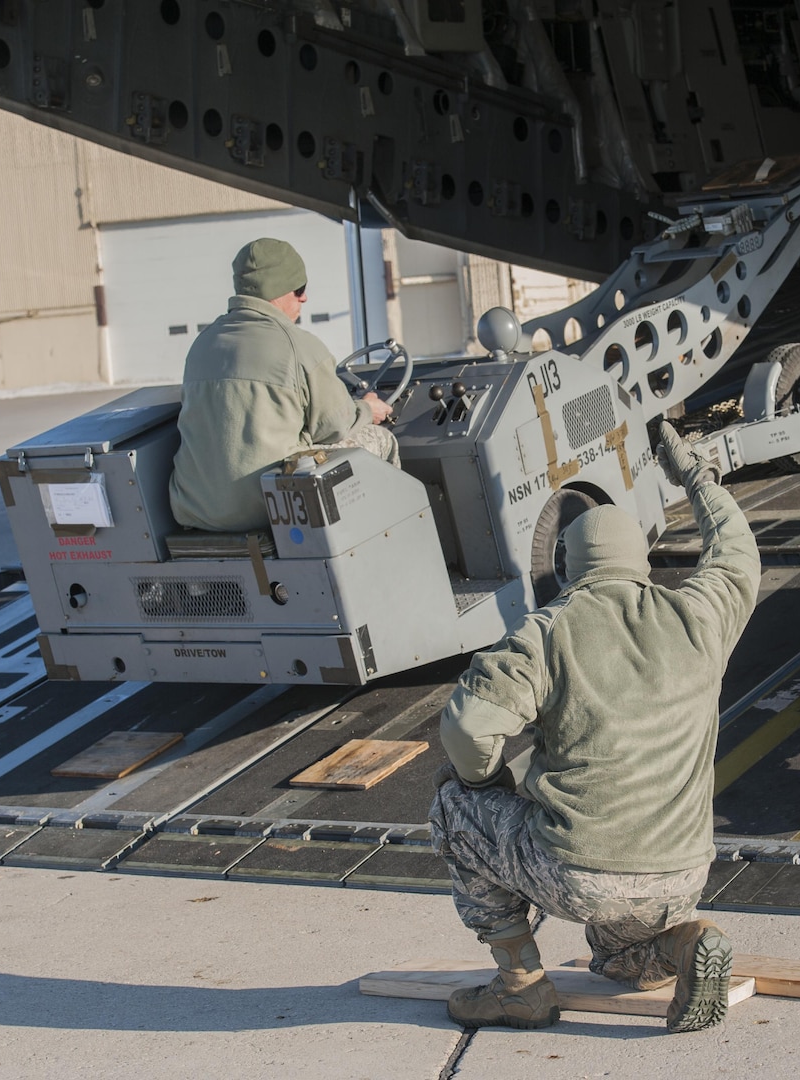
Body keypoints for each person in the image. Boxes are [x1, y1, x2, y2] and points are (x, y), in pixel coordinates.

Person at [428, 424, 760, 1034]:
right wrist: (695, 475)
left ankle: (520, 987)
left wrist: (487, 783)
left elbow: (469, 730)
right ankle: (685, 943)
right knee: (614, 957)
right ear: (641, 561)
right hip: (682, 875)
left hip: (579, 872)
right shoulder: (701, 616)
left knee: (454, 805)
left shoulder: (547, 631)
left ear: (570, 566)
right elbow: (738, 550)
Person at [168, 237, 399, 534]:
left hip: (199, 508)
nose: (304, 299)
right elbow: (333, 426)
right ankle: (386, 542)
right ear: (280, 290)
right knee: (381, 439)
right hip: (270, 506)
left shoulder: (203, 343)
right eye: (300, 289)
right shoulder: (298, 346)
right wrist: (368, 408)